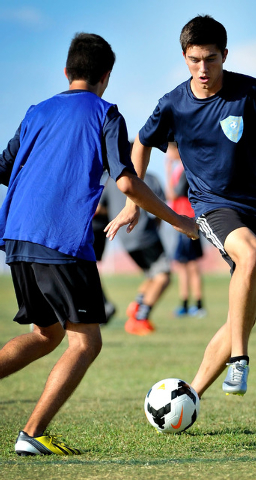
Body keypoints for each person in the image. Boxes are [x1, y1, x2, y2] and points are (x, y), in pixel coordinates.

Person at [0, 33, 197, 456]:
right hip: (60, 239)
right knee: (86, 341)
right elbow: (125, 180)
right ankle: (32, 434)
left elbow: (4, 167)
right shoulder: (106, 113)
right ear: (106, 76)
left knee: (45, 335)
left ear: (67, 71)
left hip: (16, 236)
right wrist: (178, 220)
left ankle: (33, 432)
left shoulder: (37, 111)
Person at [111, 15, 256, 400]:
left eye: (212, 59)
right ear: (184, 56)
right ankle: (240, 360)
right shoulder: (172, 104)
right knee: (249, 255)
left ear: (225, 55)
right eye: (195, 59)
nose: (203, 69)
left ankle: (190, 397)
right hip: (213, 206)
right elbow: (141, 142)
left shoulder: (252, 91)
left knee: (245, 314)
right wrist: (133, 200)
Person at [103, 172, 171, 336]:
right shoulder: (149, 178)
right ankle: (140, 318)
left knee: (152, 275)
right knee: (163, 276)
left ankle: (137, 305)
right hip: (144, 233)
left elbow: (100, 207)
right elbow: (161, 205)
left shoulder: (111, 180)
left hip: (123, 237)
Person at [165, 143, 206, 318]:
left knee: (191, 265)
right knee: (182, 265)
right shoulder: (181, 170)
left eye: (169, 150)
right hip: (181, 223)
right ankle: (185, 303)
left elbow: (172, 195)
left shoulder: (185, 170)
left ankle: (198, 304)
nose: (167, 154)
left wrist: (167, 170)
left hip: (187, 222)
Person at [92, 186, 117, 323]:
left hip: (95, 229)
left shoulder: (105, 179)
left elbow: (98, 208)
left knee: (87, 269)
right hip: (98, 228)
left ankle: (104, 306)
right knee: (88, 270)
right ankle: (103, 305)